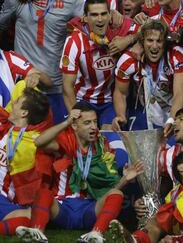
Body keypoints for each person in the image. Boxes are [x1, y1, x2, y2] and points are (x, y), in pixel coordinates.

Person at [15, 102, 143, 243]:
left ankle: (95, 234)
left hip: (89, 209)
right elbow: (39, 142)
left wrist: (124, 179)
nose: (94, 127)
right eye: (87, 123)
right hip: (63, 208)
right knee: (44, 192)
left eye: (95, 122)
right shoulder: (65, 141)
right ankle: (37, 232)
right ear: (75, 126)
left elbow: (107, 189)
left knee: (117, 194)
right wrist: (66, 122)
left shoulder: (102, 145)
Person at [61, 0, 137, 129]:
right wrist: (76, 117)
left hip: (109, 102)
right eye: (94, 15)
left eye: (103, 14)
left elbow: (148, 30)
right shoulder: (74, 42)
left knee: (111, 140)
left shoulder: (120, 32)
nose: (100, 19)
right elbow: (67, 86)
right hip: (83, 101)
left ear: (110, 15)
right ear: (85, 18)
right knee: (86, 135)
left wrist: (129, 39)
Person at [113, 20, 183, 136]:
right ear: (142, 42)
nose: (154, 46)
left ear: (165, 42)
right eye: (150, 40)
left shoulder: (177, 55)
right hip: (146, 110)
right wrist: (121, 115)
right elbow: (120, 92)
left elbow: (180, 93)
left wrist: (172, 119)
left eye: (159, 41)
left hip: (176, 109)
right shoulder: (128, 61)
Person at [0, 88, 51, 235]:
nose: (12, 104)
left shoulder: (35, 142)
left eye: (16, 102)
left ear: (24, 113)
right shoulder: (4, 129)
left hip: (5, 200)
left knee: (31, 216)